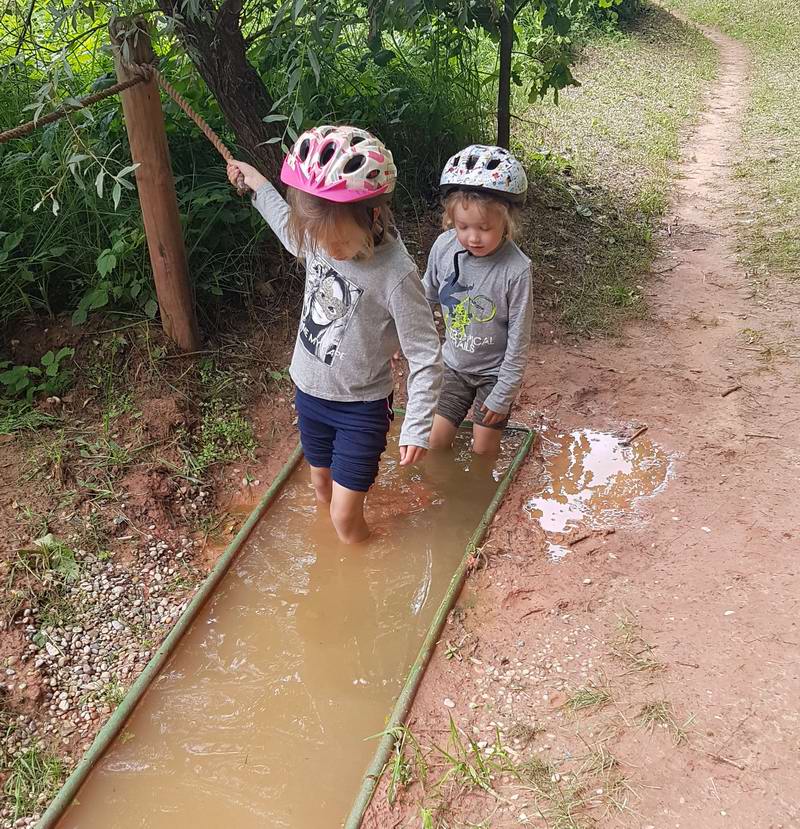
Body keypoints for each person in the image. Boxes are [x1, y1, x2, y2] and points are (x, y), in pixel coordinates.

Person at [228, 125, 442, 544]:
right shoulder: (319, 238)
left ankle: (367, 559)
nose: (327, 250)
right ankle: (336, 556)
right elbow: (286, 226)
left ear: (373, 216)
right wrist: (257, 184)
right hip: (309, 395)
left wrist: (417, 425)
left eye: (338, 243)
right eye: (319, 241)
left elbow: (425, 354)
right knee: (320, 488)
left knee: (344, 517)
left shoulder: (397, 275)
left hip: (361, 408)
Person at [422, 144, 532, 456]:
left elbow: (519, 340)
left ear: (507, 222)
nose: (473, 237)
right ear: (450, 220)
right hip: (453, 366)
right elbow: (424, 297)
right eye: (463, 227)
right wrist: (397, 336)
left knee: (483, 452)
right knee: (434, 442)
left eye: (484, 228)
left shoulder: (516, 270)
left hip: (494, 375)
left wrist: (503, 394)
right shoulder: (444, 248)